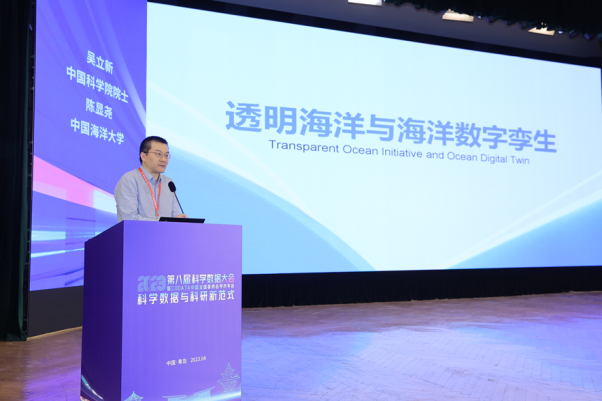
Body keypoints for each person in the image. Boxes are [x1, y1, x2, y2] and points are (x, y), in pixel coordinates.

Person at [114, 136, 188, 222]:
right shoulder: (129, 180)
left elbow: (175, 217)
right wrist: (162, 223)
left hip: (165, 231)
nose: (164, 159)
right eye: (158, 154)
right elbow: (129, 218)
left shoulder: (168, 183)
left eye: (166, 155)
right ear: (143, 156)